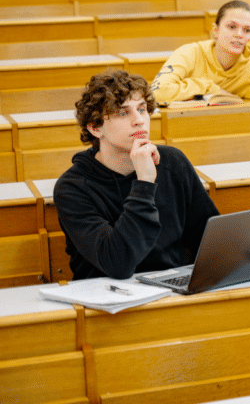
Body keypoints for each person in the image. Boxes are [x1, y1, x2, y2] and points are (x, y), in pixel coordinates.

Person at [54, 70, 219, 280]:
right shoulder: (72, 188)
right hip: (107, 299)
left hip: (171, 292)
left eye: (142, 109)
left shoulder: (172, 163)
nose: (139, 120)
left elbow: (210, 239)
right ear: (95, 128)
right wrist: (144, 184)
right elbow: (118, 263)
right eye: (123, 113)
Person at [150, 0, 250, 105]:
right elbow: (158, 93)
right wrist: (210, 88)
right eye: (231, 27)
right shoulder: (190, 53)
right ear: (216, 30)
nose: (239, 34)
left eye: (247, 30)